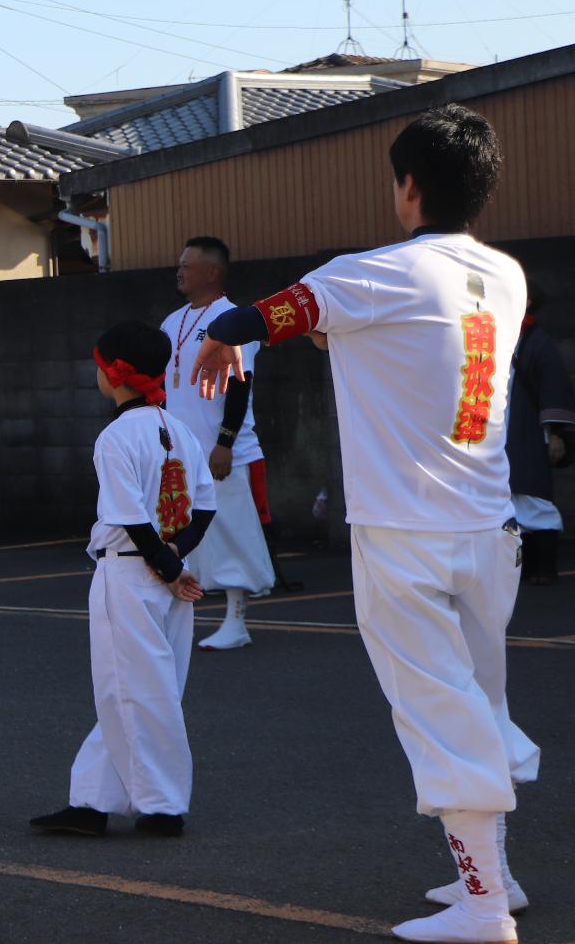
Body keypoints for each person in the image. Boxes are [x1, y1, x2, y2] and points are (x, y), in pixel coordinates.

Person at [194, 105, 534, 944]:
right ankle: (496, 877)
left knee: (435, 708)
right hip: (489, 526)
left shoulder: (376, 271)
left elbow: (252, 318)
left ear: (408, 185)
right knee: (477, 699)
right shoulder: (506, 275)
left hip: (404, 531)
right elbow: (389, 345)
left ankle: (485, 904)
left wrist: (219, 339)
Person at [32, 321, 213, 839]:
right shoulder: (178, 428)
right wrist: (176, 556)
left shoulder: (116, 435)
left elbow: (129, 515)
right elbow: (202, 506)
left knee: (129, 691)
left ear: (113, 373)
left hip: (132, 570)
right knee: (144, 690)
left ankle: (161, 807)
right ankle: (92, 800)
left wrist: (170, 566)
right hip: (162, 568)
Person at [162, 236, 275, 651]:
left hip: (220, 450)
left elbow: (241, 385)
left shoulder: (235, 320)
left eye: (187, 265)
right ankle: (182, 617)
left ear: (212, 272)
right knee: (186, 535)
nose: (179, 271)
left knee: (231, 533)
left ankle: (237, 621)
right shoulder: (171, 322)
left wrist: (225, 442)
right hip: (180, 451)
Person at [507, 299, 573, 585]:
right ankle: (524, 568)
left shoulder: (539, 341)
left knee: (533, 497)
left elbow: (554, 385)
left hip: (529, 431)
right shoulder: (501, 336)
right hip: (505, 431)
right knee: (509, 500)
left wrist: (556, 432)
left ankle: (544, 567)